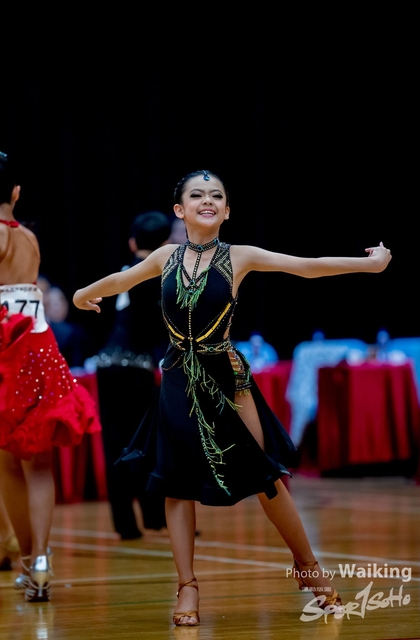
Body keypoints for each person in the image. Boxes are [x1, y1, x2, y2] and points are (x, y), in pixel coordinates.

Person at [73, 169, 392, 626]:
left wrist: (369, 265)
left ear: (226, 211)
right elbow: (119, 281)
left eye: (216, 195)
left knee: (265, 476)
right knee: (176, 483)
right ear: (180, 210)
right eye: (197, 195)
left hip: (228, 377)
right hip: (178, 377)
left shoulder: (239, 256)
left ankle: (308, 567)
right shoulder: (164, 257)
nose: (207, 200)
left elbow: (306, 265)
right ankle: (187, 586)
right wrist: (84, 294)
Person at [0, 150, 102, 602]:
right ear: (16, 193)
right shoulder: (29, 238)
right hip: (39, 350)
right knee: (38, 462)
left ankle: (28, 560)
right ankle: (40, 561)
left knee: (8, 462)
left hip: (7, 348)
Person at [96, 211, 171, 539]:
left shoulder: (125, 272)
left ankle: (127, 524)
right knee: (148, 441)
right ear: (166, 243)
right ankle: (156, 516)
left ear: (131, 242)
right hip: (136, 368)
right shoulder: (158, 275)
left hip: (107, 364)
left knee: (116, 445)